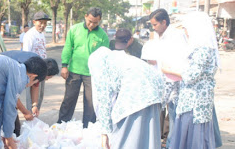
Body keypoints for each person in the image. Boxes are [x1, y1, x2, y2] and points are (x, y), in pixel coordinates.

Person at [162, 11, 221, 149]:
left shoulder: (203, 49)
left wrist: (168, 70)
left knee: (193, 140)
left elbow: (191, 76)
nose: (185, 32)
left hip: (195, 104)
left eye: (186, 28)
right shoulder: (203, 48)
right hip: (195, 103)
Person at [88, 46, 164, 149]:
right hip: (155, 91)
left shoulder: (99, 64)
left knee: (127, 138)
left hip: (136, 90)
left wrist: (105, 132)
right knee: (148, 138)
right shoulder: (120, 59)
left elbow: (103, 98)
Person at [0, 54, 47, 149]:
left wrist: (2, 132)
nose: (28, 86)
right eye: (33, 83)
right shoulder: (19, 77)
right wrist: (8, 137)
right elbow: (10, 107)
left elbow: (2, 105)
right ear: (33, 76)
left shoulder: (14, 67)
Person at [57, 7, 109, 128]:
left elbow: (105, 57)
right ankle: (61, 126)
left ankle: (88, 128)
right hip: (74, 71)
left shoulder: (103, 36)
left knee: (91, 102)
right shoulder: (75, 29)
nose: (91, 24)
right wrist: (64, 65)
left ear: (100, 20)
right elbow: (68, 48)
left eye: (95, 22)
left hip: (92, 74)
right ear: (86, 16)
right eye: (90, 21)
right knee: (69, 100)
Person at [148, 8, 188, 148]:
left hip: (174, 81)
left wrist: (170, 71)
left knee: (174, 116)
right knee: (157, 112)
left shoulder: (176, 35)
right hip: (161, 79)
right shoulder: (158, 36)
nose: (153, 28)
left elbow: (182, 60)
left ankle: (172, 144)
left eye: (155, 25)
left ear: (164, 22)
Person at [0, 50, 59, 136]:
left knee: (12, 123)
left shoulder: (38, 66)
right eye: (47, 78)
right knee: (7, 121)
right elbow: (12, 95)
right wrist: (25, 112)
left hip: (1, 78)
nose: (46, 80)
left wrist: (34, 105)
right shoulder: (23, 68)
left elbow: (35, 86)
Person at [23, 11, 51, 112]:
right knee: (32, 97)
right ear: (34, 22)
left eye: (45, 23)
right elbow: (26, 54)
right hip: (33, 70)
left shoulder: (41, 34)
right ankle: (30, 116)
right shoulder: (30, 35)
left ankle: (35, 115)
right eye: (40, 22)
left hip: (42, 69)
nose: (43, 25)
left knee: (40, 95)